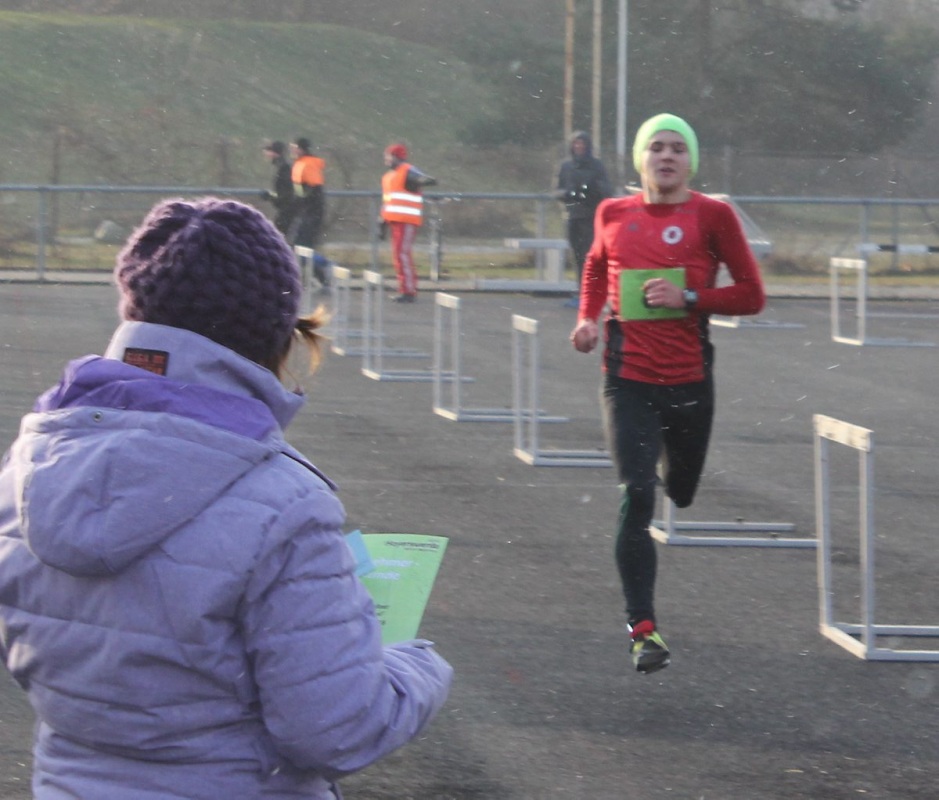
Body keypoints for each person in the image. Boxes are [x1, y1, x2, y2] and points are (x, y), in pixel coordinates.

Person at [0, 197, 452, 799]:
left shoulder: (29, 467)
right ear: (272, 334)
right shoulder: (285, 504)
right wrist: (416, 667)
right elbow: (334, 728)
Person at [569, 113, 765, 675]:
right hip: (626, 378)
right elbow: (594, 266)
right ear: (640, 159)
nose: (667, 156)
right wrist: (588, 318)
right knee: (637, 491)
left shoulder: (713, 215)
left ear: (690, 162)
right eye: (656, 147)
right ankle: (643, 629)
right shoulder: (613, 212)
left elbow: (752, 295)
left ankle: (676, 481)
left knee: (679, 490)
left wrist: (688, 296)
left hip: (688, 384)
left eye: (678, 148)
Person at [555, 130, 612, 308]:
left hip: (591, 217)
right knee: (577, 255)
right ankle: (580, 291)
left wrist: (592, 189)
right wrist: (570, 193)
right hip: (573, 216)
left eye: (582, 144)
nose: (579, 147)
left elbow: (606, 190)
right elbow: (557, 191)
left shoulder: (597, 166)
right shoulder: (566, 166)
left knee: (590, 257)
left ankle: (592, 293)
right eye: (576, 144)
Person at [379, 142, 437, 303]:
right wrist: (382, 222)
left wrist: (425, 180)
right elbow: (387, 201)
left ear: (396, 157)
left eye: (388, 156)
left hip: (406, 221)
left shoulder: (406, 171)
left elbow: (421, 178)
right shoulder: (388, 177)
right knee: (399, 255)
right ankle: (405, 288)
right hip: (395, 221)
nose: (386, 159)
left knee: (402, 255)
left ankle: (409, 291)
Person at [289, 136, 327, 248]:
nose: (292, 150)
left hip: (310, 211)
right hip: (308, 210)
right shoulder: (302, 163)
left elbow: (314, 187)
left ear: (301, 149)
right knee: (302, 245)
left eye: (295, 147)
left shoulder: (306, 164)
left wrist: (302, 202)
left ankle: (325, 265)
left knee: (303, 246)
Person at [259, 139, 297, 234]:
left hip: (286, 211)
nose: (266, 154)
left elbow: (285, 195)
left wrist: (270, 196)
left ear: (275, 153)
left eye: (268, 151)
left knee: (277, 237)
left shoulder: (284, 169)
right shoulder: (283, 167)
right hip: (287, 210)